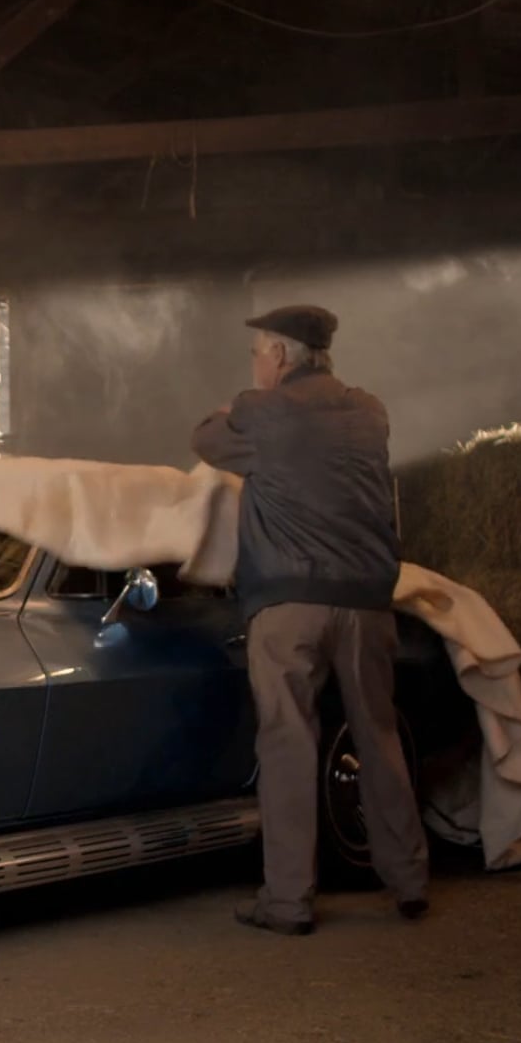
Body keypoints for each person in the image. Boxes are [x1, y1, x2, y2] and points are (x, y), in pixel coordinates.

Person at [191, 304, 428, 936]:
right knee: (377, 735)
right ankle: (409, 880)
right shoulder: (369, 412)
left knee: (288, 742)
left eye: (257, 353)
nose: (255, 364)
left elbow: (206, 440)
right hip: (367, 603)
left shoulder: (262, 411)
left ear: (279, 354)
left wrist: (228, 409)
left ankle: (289, 900)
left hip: (290, 600)